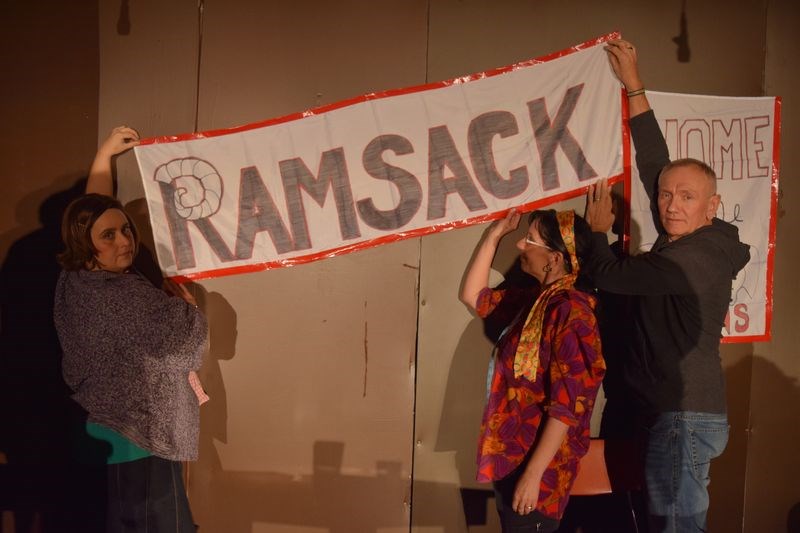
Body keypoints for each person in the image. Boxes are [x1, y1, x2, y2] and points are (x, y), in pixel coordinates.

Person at [584, 39, 751, 532]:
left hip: (683, 420)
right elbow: (657, 162)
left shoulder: (692, 258)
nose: (671, 204)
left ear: (712, 205)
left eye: (687, 197)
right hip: (680, 416)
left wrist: (596, 230)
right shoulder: (694, 233)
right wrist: (634, 84)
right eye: (665, 196)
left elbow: (608, 276)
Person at [53, 126, 208, 532]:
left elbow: (95, 210)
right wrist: (187, 308)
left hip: (106, 433)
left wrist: (104, 156)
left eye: (125, 229)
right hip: (138, 437)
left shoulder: (76, 278)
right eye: (110, 235)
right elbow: (183, 351)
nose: (124, 241)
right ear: (86, 243)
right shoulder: (122, 296)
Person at [460, 208, 605, 532]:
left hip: (539, 467)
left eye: (531, 240)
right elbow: (474, 297)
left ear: (554, 258)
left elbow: (568, 405)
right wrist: (494, 236)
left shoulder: (573, 313)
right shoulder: (536, 301)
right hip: (512, 454)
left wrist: (533, 474)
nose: (522, 247)